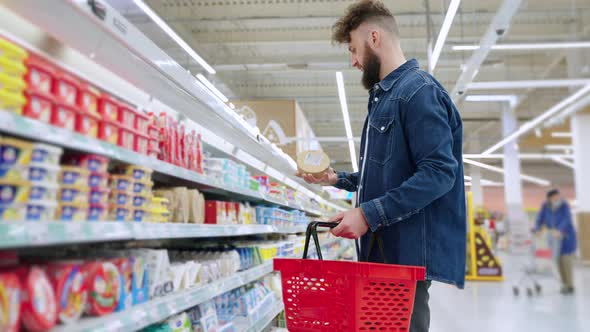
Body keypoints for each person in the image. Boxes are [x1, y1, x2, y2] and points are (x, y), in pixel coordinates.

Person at [296, 1, 466, 331]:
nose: (354, 61)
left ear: (374, 37)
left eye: (354, 49)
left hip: (404, 260)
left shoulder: (417, 92)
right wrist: (336, 178)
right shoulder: (386, 98)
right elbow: (390, 175)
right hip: (385, 256)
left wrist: (367, 214)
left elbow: (439, 172)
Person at [535, 189, 577, 294]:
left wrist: (560, 230)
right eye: (555, 197)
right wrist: (537, 229)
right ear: (549, 198)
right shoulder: (545, 206)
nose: (557, 198)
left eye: (558, 196)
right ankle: (564, 284)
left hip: (566, 236)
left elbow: (567, 219)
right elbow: (539, 218)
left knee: (566, 261)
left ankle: (570, 285)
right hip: (553, 237)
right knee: (558, 261)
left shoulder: (564, 205)